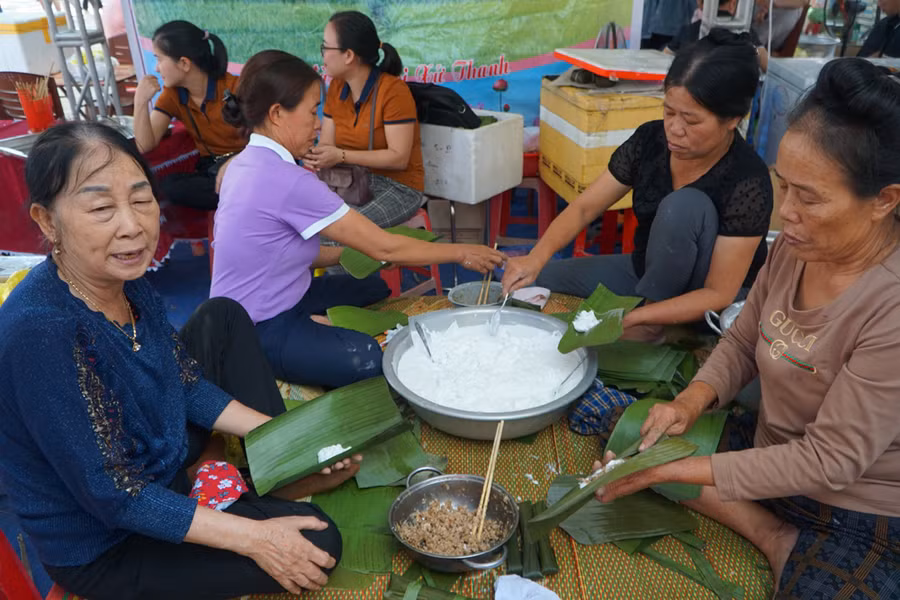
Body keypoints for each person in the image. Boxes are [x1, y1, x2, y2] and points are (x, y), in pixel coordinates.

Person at [0, 121, 360, 599]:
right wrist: (257, 538)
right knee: (319, 541)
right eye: (102, 208)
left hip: (155, 452)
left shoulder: (124, 283)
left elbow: (184, 384)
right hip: (111, 540)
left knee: (221, 316)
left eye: (141, 199)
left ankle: (272, 470)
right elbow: (117, 495)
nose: (132, 226)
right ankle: (247, 493)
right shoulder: (41, 332)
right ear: (47, 221)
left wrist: (287, 435)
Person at [597, 59, 900, 598]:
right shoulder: (795, 248)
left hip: (850, 501)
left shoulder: (890, 305)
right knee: (625, 433)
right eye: (784, 187)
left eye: (809, 198)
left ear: (885, 200)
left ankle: (778, 531)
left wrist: (672, 471)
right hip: (766, 447)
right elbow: (741, 339)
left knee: (649, 465)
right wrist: (689, 403)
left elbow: (829, 461)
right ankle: (770, 532)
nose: (787, 214)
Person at [213, 50, 505, 388]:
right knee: (367, 358)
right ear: (277, 114)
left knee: (373, 287)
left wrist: (349, 254)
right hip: (257, 326)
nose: (318, 123)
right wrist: (463, 252)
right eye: (312, 111)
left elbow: (278, 251)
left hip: (274, 296)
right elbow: (386, 248)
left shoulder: (243, 163)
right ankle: (298, 337)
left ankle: (312, 324)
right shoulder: (287, 180)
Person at [502, 30, 772, 341]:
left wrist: (636, 318)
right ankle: (652, 313)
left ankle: (662, 327)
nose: (674, 128)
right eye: (669, 111)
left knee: (684, 206)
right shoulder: (650, 140)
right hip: (647, 274)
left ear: (733, 119)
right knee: (538, 280)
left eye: (691, 120)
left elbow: (718, 293)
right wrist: (535, 258)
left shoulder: (748, 181)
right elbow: (585, 208)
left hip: (710, 301)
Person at [303, 10, 425, 228]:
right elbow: (327, 143)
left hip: (397, 188)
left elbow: (398, 158)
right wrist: (315, 156)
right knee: (298, 222)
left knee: (337, 231)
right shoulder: (337, 87)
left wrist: (340, 155)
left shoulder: (393, 91)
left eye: (326, 48)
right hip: (347, 180)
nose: (322, 55)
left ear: (349, 55)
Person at [133, 20, 245, 210]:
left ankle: (238, 197)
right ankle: (237, 197)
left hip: (246, 163)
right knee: (169, 186)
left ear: (184, 63)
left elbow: (269, 137)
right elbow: (144, 145)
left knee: (242, 181)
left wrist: (239, 161)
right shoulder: (173, 94)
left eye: (159, 59)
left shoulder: (235, 87)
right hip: (212, 169)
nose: (156, 68)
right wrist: (140, 102)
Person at [666, 0, 769, 71]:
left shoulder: (687, 31)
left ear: (701, 4)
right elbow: (767, 66)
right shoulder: (746, 33)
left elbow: (664, 58)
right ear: (732, 4)